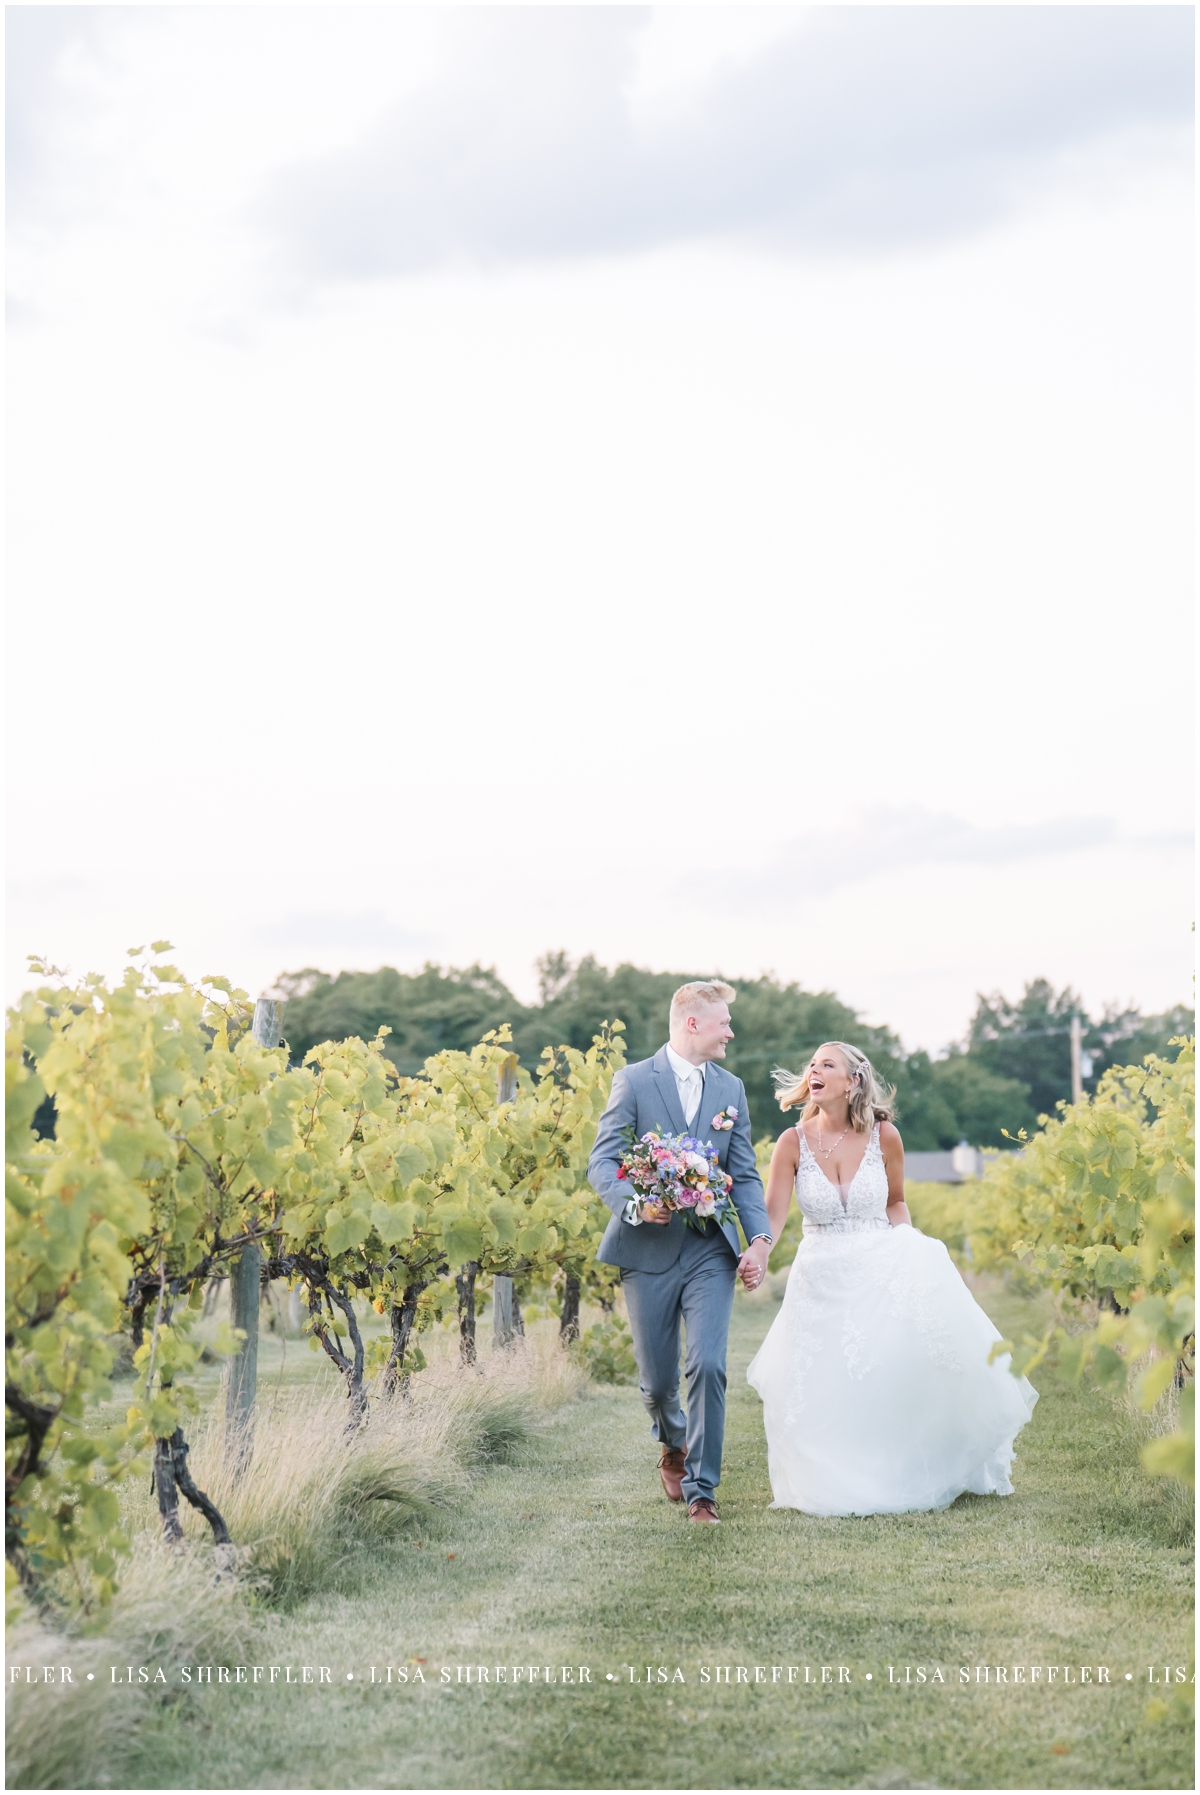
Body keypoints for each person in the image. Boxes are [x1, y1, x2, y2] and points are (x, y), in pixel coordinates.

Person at [746, 1041, 1037, 1517]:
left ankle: (897, 1468)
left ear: (852, 1081)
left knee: (884, 1371)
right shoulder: (791, 1142)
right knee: (823, 1381)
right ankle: (831, 1476)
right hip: (818, 1271)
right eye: (812, 1065)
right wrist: (757, 1252)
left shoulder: (885, 1136)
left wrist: (911, 1253)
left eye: (827, 1065)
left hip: (878, 1259)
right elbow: (774, 1216)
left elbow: (895, 1203)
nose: (815, 1072)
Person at [588, 980, 773, 1523]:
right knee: (657, 1382)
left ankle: (702, 1492)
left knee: (710, 1364)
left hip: (708, 1249)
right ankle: (672, 1442)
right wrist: (635, 1205)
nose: (731, 1033)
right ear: (692, 1023)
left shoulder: (731, 1089)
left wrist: (758, 1241)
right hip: (645, 1248)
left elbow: (743, 1174)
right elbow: (602, 1162)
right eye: (723, 1023)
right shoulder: (635, 1081)